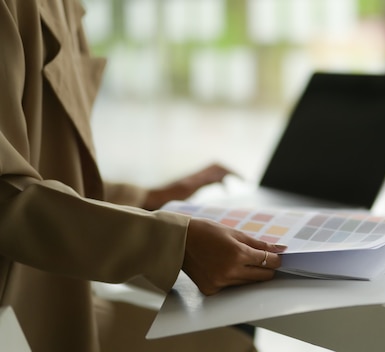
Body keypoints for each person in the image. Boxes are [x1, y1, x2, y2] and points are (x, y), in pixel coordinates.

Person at [0, 1, 286, 351]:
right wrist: (170, 244)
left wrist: (141, 199)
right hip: (16, 317)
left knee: (231, 344)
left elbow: (43, 166)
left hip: (55, 291)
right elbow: (6, 197)